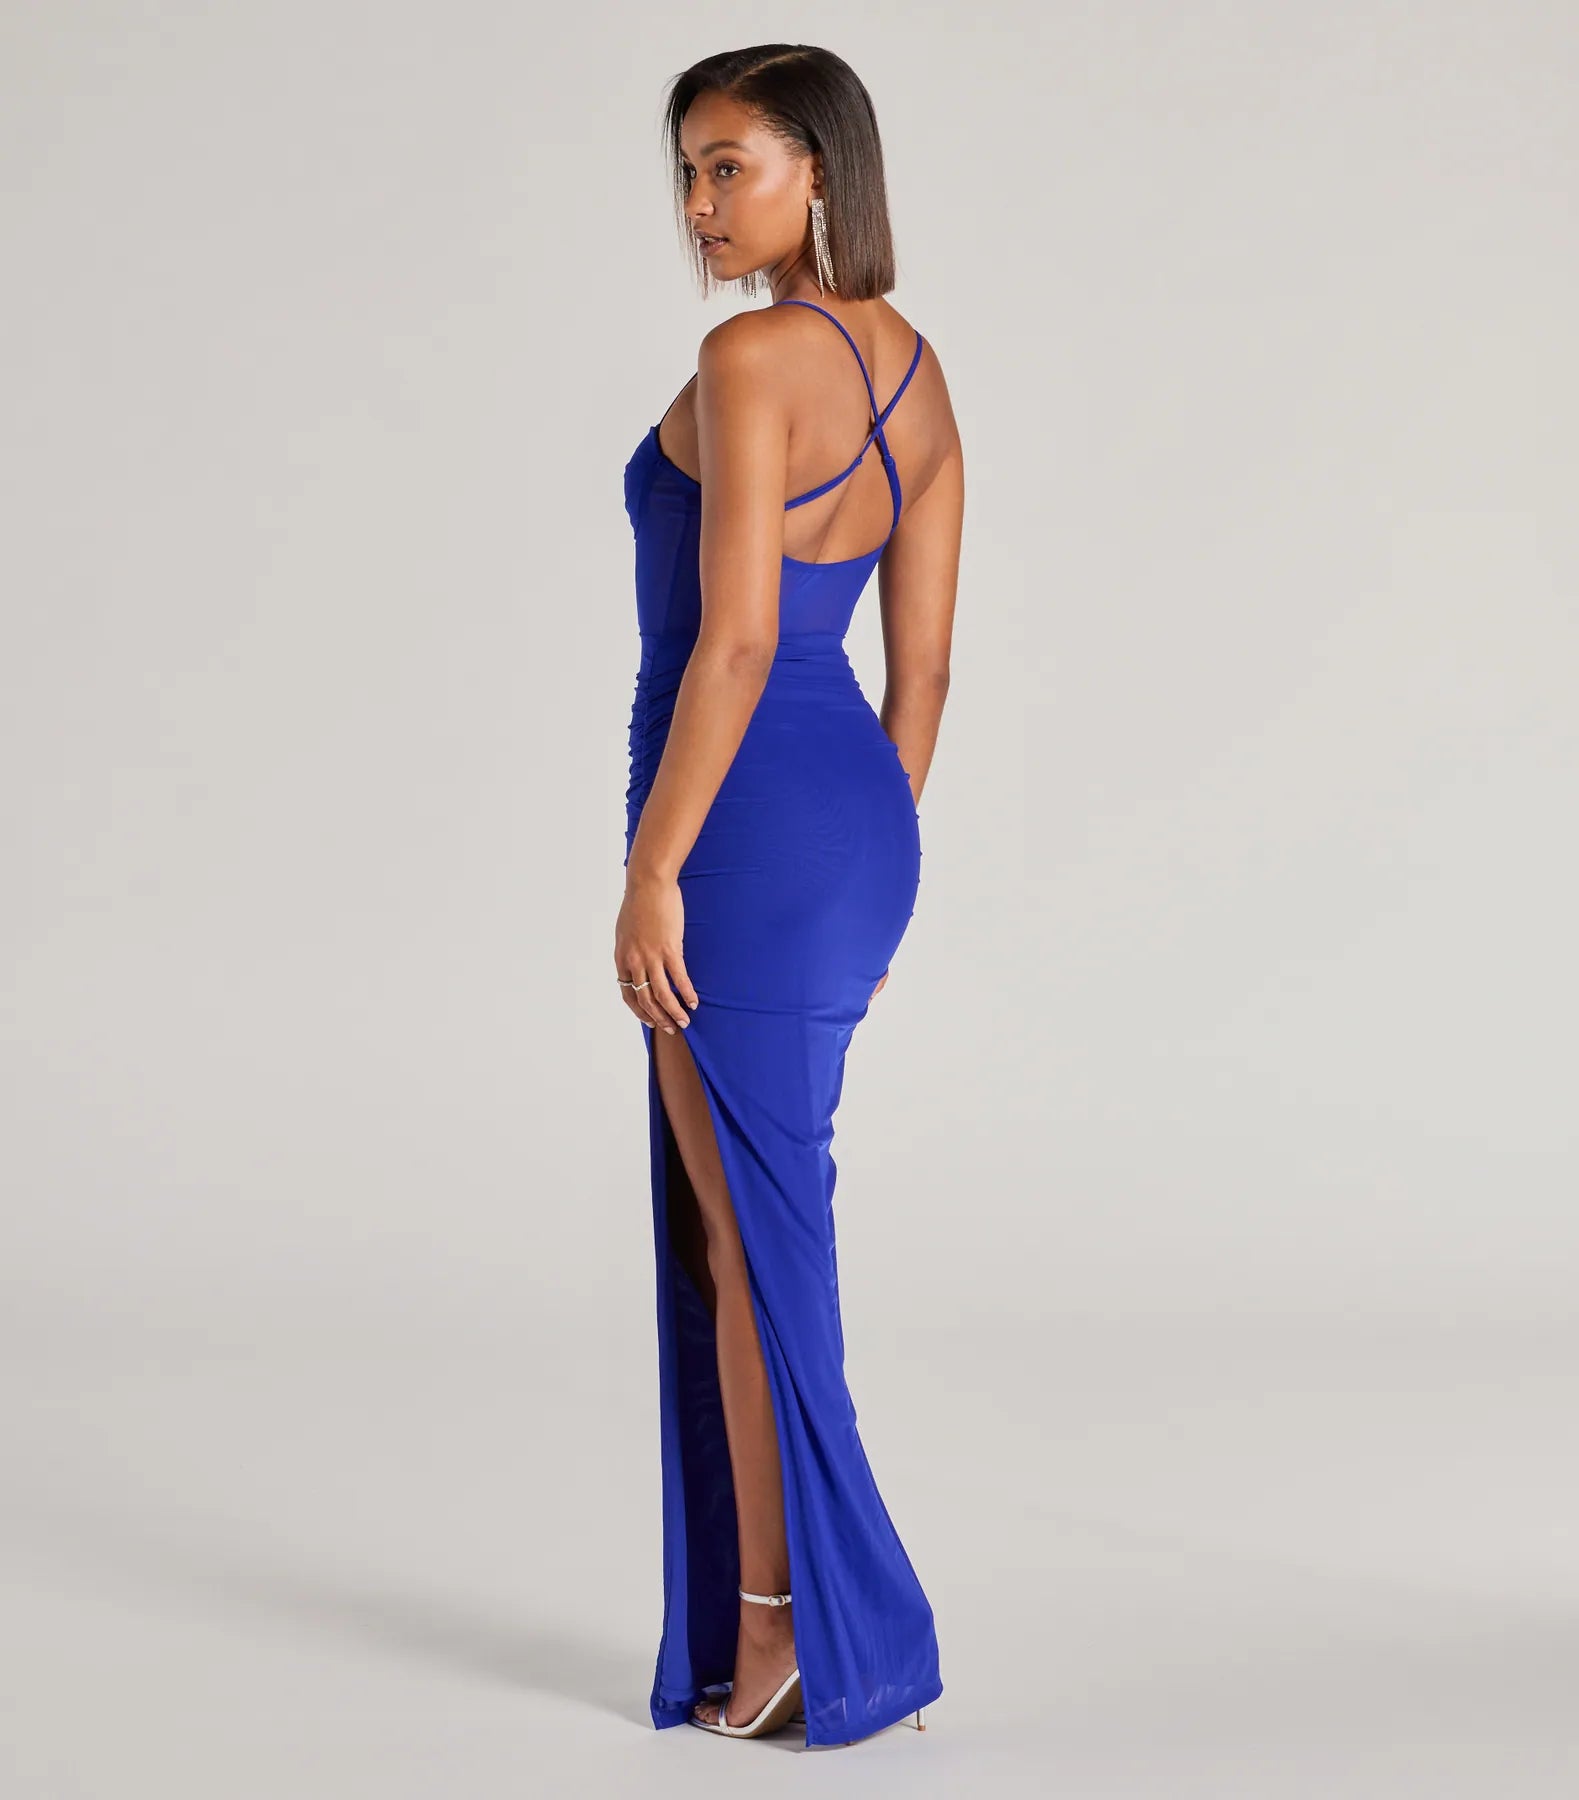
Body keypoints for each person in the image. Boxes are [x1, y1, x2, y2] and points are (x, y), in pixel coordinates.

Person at [615, 43, 962, 1749]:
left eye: (728, 166)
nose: (698, 204)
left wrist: (653, 870)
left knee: (749, 1244)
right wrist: (868, 878)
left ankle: (795, 1632)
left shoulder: (748, 357)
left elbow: (739, 641)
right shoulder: (917, 374)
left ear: (820, 168)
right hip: (854, 829)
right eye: (686, 169)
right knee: (756, 1231)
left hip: (737, 824)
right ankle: (797, 1617)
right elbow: (925, 677)